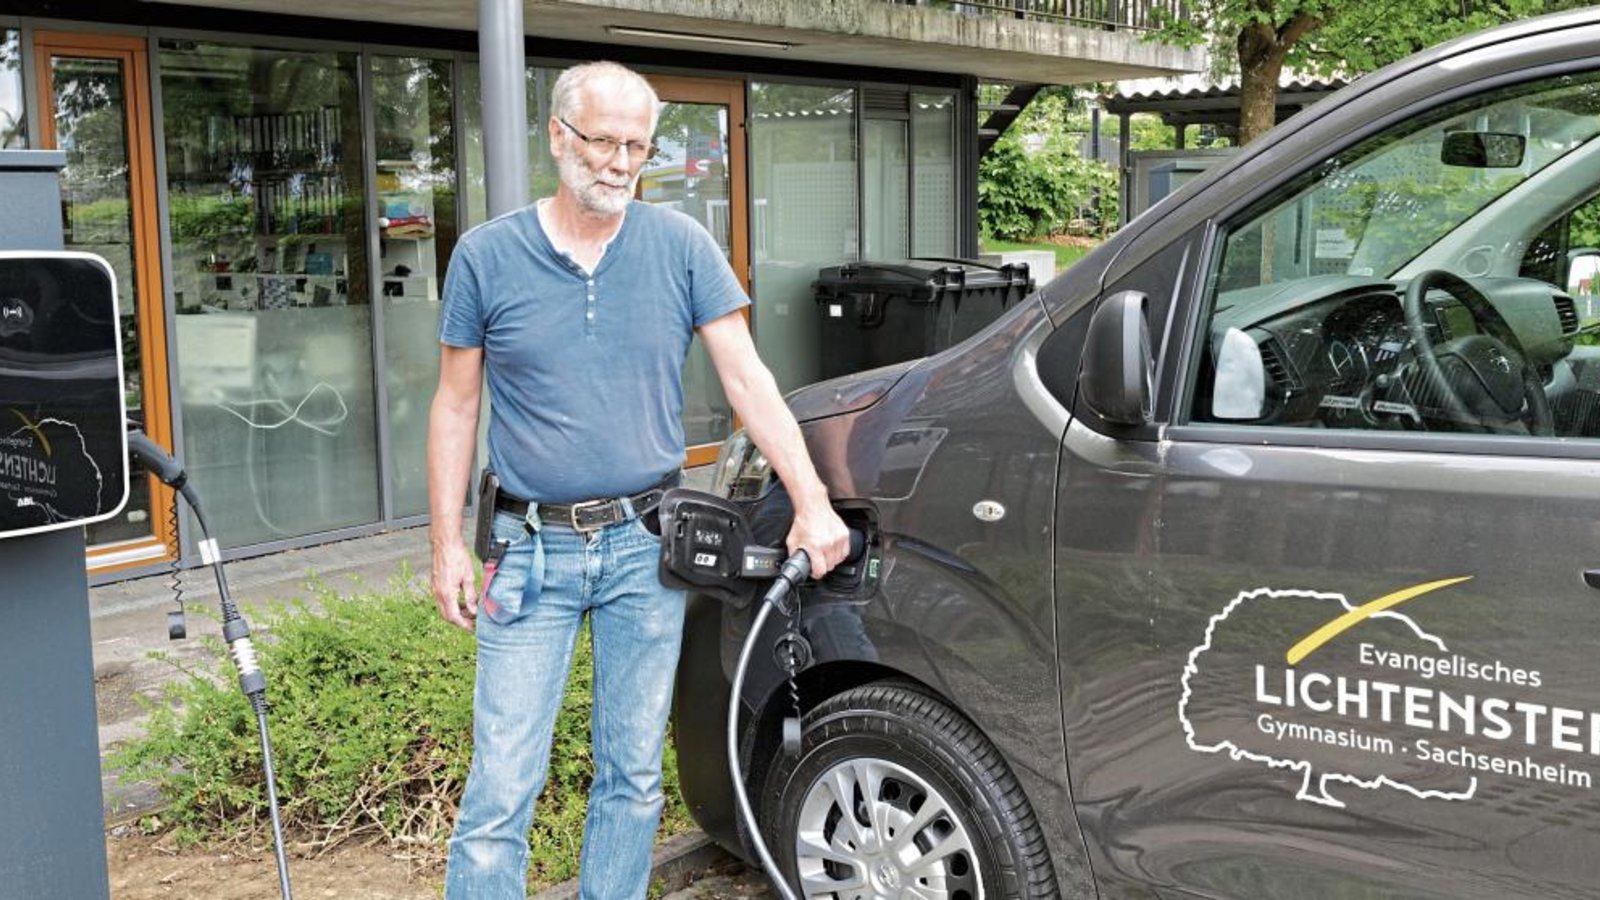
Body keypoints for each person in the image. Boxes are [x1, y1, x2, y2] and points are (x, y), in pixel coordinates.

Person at [426, 61, 851, 900]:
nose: (621, 163)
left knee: (632, 775)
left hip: (645, 545)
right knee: (503, 782)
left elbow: (747, 379)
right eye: (604, 142)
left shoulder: (681, 246)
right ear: (557, 137)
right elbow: (454, 406)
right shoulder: (486, 256)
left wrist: (811, 499)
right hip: (528, 547)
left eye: (637, 146)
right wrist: (446, 544)